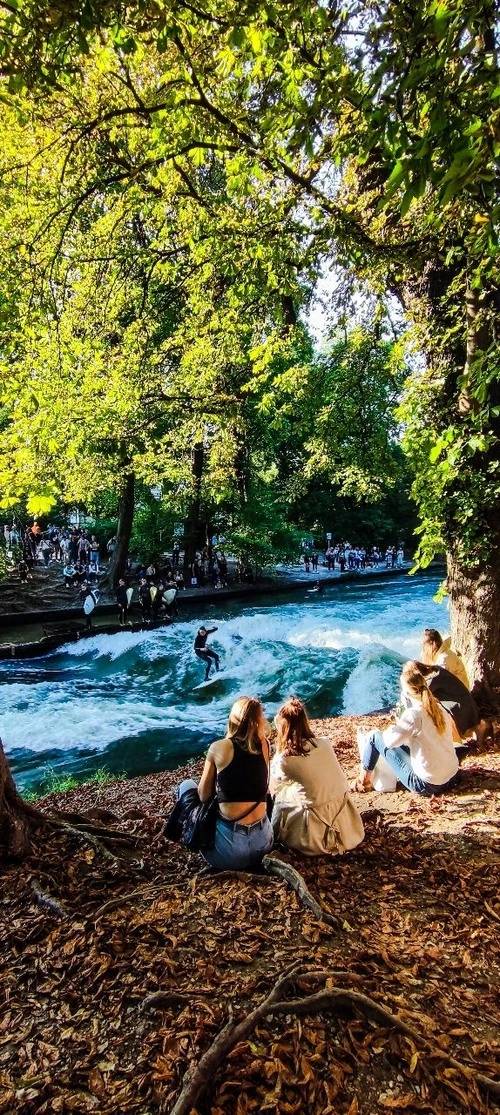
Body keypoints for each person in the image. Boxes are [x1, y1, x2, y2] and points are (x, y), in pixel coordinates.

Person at [176, 696, 273, 871]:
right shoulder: (265, 745)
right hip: (263, 845)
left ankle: (183, 837)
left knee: (186, 786)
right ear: (258, 721)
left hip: (230, 852)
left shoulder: (218, 747)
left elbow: (203, 795)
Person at [270, 698, 364, 856]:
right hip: (348, 828)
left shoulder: (285, 760)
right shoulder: (325, 744)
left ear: (283, 729)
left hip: (314, 837)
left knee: (280, 792)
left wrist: (276, 750)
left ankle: (272, 833)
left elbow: (271, 783)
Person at [355, 661, 459, 796]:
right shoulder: (439, 708)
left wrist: (393, 727)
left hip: (427, 785)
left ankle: (363, 781)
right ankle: (364, 779)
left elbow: (389, 742)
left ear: (406, 694)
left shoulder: (414, 715)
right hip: (452, 777)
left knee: (375, 737)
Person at [415, 661, 491, 744]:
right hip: (466, 704)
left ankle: (478, 728)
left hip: (461, 708)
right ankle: (478, 728)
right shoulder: (436, 670)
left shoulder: (432, 680)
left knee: (441, 716)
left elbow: (420, 698)